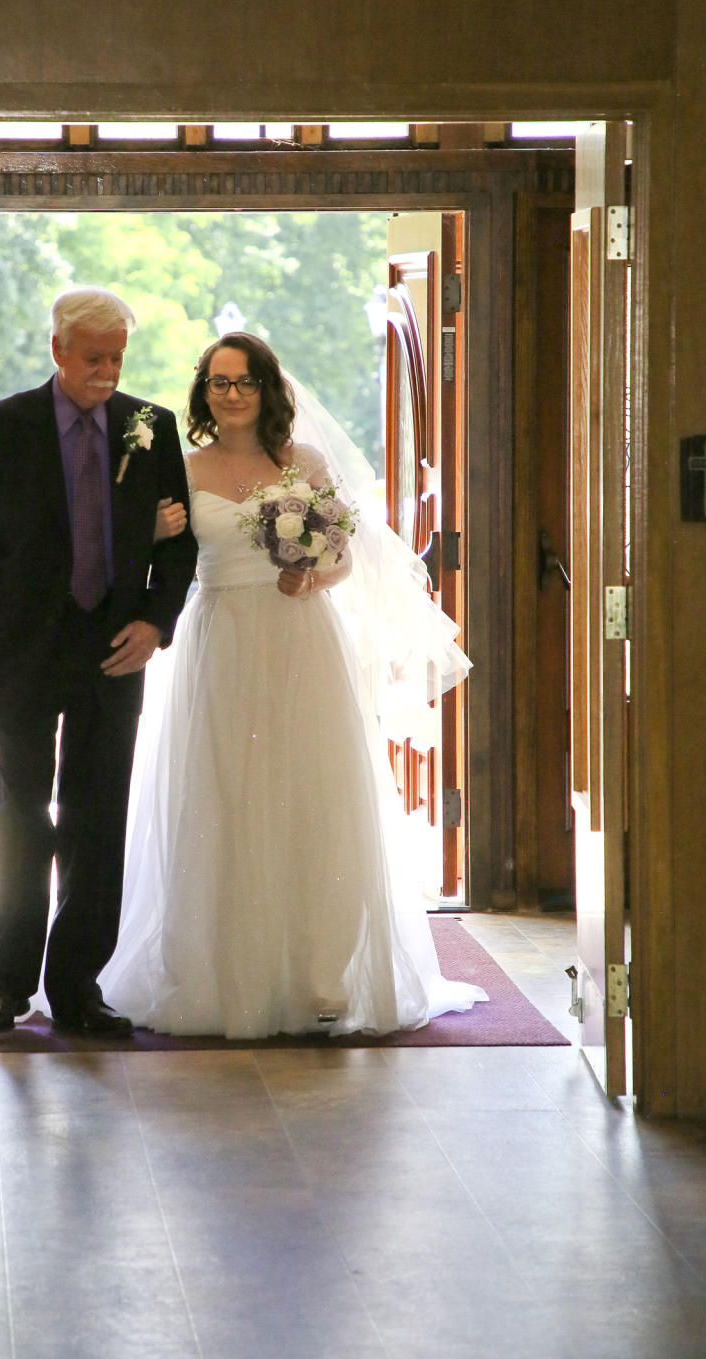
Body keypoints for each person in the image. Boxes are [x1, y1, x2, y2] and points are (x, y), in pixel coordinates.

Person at [98, 332, 487, 1037]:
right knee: (225, 792)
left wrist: (311, 574)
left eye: (244, 381)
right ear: (203, 392)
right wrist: (153, 532)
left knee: (311, 795)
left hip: (301, 638)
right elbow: (156, 559)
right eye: (219, 382)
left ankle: (318, 977)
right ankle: (219, 971)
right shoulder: (181, 469)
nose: (232, 393)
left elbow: (341, 555)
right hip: (221, 640)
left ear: (267, 389)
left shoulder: (302, 462)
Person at [0, 286, 197, 1035]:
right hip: (18, 649)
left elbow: (179, 548)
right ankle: (9, 985)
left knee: (97, 815)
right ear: (58, 350)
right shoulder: (1, 428)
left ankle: (79, 987)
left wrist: (155, 621)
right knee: (20, 813)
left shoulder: (151, 426)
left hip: (115, 652)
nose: (108, 370)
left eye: (118, 356)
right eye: (94, 357)